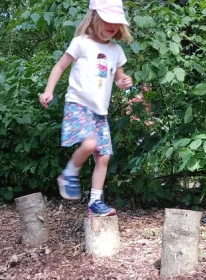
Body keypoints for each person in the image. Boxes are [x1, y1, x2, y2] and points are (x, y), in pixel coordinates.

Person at [39, 0, 133, 217]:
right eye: (107, 20)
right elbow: (60, 66)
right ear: (95, 17)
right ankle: (69, 173)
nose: (112, 26)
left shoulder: (116, 50)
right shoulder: (81, 43)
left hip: (100, 111)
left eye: (116, 22)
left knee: (104, 157)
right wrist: (48, 90)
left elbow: (118, 80)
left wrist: (124, 82)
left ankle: (95, 203)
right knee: (90, 143)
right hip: (79, 105)